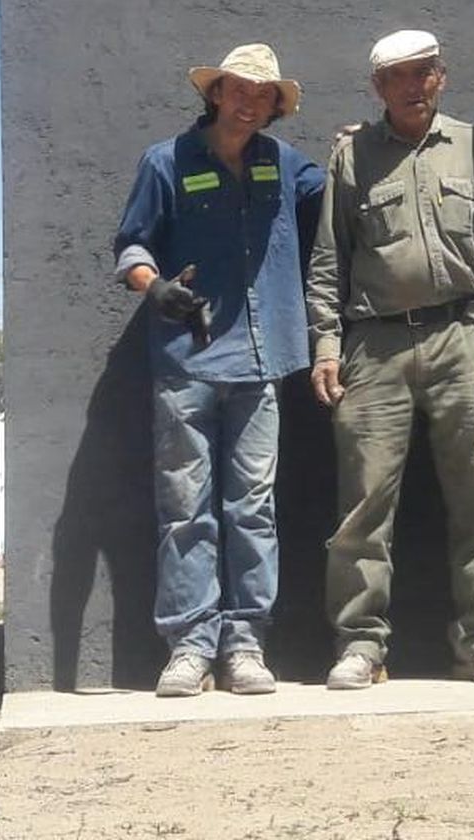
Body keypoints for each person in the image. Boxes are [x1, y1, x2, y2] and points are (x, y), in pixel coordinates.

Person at [307, 28, 474, 689]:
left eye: (424, 71)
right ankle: (361, 645)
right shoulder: (352, 156)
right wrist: (326, 344)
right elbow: (326, 259)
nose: (412, 84)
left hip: (461, 336)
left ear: (442, 76)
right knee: (364, 502)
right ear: (378, 88)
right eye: (397, 75)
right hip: (374, 343)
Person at [114, 43, 324, 697]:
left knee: (252, 509)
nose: (248, 101)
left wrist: (360, 146)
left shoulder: (287, 167)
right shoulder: (165, 162)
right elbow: (131, 244)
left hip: (263, 366)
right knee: (185, 510)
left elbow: (346, 193)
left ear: (274, 106)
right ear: (215, 93)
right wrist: (153, 287)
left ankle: (245, 645)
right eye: (238, 88)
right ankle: (190, 645)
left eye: (263, 94)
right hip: (187, 364)